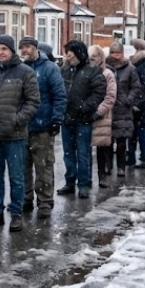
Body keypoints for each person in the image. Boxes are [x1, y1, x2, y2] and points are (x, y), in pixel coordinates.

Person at [0, 35, 41, 232]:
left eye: (4, 48)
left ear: (12, 51)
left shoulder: (25, 72)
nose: (0, 52)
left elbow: (33, 101)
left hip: (15, 135)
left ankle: (16, 213)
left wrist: (17, 119)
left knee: (16, 177)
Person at [18, 36, 66, 219]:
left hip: (43, 125)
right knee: (22, 166)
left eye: (28, 47)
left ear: (35, 48)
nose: (24, 50)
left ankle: (45, 201)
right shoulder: (19, 69)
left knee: (43, 165)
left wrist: (56, 119)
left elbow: (59, 95)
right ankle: (25, 198)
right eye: (22, 47)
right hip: (22, 126)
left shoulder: (50, 68)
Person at [56, 40, 106, 199]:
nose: (68, 56)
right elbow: (57, 90)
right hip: (67, 119)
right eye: (67, 53)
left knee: (83, 153)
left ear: (79, 53)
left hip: (83, 120)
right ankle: (70, 182)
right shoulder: (64, 70)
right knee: (68, 153)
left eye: (70, 53)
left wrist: (85, 107)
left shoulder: (92, 70)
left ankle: (83, 184)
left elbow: (99, 93)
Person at [106, 42, 142, 177]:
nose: (116, 56)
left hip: (123, 109)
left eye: (118, 53)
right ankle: (108, 165)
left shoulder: (130, 68)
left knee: (121, 141)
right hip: (109, 109)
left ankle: (121, 167)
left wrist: (128, 100)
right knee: (107, 141)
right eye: (113, 53)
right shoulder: (105, 68)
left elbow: (136, 86)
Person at [88, 45, 117, 188]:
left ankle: (102, 176)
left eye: (94, 57)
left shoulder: (107, 74)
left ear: (101, 58)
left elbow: (110, 96)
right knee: (85, 149)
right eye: (90, 57)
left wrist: (98, 111)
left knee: (101, 148)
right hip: (87, 114)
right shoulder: (85, 72)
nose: (91, 60)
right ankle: (86, 178)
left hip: (101, 116)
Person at [127, 38, 145, 168]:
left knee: (143, 131)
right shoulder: (134, 63)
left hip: (143, 106)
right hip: (133, 104)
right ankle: (131, 157)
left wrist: (138, 104)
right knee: (131, 132)